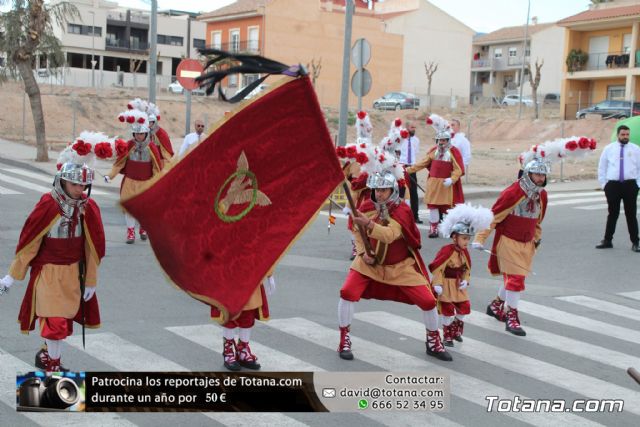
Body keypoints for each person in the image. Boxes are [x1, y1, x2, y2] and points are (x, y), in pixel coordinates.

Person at [0, 155, 105, 372]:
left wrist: (91, 281)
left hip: (73, 274)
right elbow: (30, 243)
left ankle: (46, 354)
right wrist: (10, 277)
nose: (79, 188)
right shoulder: (48, 204)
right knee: (55, 323)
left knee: (62, 325)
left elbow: (91, 248)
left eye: (83, 184)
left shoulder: (89, 207)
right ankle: (54, 368)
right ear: (62, 181)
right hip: (47, 273)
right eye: (74, 183)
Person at [337, 170, 452, 362]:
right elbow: (357, 231)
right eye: (376, 189)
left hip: (400, 266)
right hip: (367, 265)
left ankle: (433, 341)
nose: (379, 193)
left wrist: (369, 224)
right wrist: (362, 252)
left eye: (384, 189)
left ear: (393, 190)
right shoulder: (366, 206)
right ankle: (344, 339)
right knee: (347, 292)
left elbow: (389, 235)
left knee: (428, 301)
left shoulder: (402, 211)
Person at [472, 158, 548, 336]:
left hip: (527, 244)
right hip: (508, 241)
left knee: (514, 278)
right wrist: (480, 238)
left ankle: (496, 305)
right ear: (528, 174)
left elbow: (537, 221)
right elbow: (493, 217)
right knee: (515, 279)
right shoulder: (513, 192)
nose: (540, 178)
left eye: (543, 175)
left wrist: (536, 239)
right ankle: (512, 317)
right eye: (537, 174)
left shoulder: (542, 195)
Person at [430, 204, 492, 346]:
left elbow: (466, 269)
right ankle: (447, 335)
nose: (466, 242)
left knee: (464, 308)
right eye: (464, 238)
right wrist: (437, 284)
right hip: (446, 285)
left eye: (468, 239)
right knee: (448, 311)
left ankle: (456, 330)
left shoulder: (464, 252)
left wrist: (466, 280)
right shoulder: (446, 250)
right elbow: (437, 268)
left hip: (458, 286)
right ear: (454, 237)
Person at [108, 110, 164, 243]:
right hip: (129, 182)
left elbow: (156, 167)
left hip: (146, 183)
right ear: (133, 134)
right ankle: (130, 232)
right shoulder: (129, 145)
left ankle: (143, 228)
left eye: (141, 133)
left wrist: (157, 183)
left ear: (146, 133)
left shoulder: (151, 147)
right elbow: (119, 163)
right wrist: (109, 176)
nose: (139, 136)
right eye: (137, 133)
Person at [407, 116, 465, 238]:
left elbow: (458, 169)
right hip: (433, 184)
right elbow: (423, 163)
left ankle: (449, 228)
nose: (441, 142)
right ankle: (433, 228)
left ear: (448, 140)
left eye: (444, 140)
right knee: (433, 206)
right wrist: (408, 170)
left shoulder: (454, 152)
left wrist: (452, 179)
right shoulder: (433, 151)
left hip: (446, 184)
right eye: (439, 140)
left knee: (448, 207)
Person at [212, 274, 276, 371]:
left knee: (248, 314)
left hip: (251, 275)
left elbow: (263, 257)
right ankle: (228, 352)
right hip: (229, 273)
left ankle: (243, 351)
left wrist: (270, 274)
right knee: (230, 313)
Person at [596, 125, 640, 252]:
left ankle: (636, 242)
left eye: (627, 134)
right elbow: (602, 167)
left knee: (631, 214)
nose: (625, 137)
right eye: (623, 135)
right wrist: (604, 185)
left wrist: (638, 184)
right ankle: (607, 240)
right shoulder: (609, 149)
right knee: (612, 213)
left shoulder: (636, 149)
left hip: (630, 185)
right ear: (618, 135)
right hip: (613, 185)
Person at [399, 121, 422, 223]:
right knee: (402, 191)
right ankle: (400, 215)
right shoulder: (400, 139)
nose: (414, 129)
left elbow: (415, 152)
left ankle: (415, 216)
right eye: (412, 127)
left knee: (413, 192)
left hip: (412, 168)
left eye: (415, 127)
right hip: (401, 167)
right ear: (407, 128)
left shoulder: (416, 140)